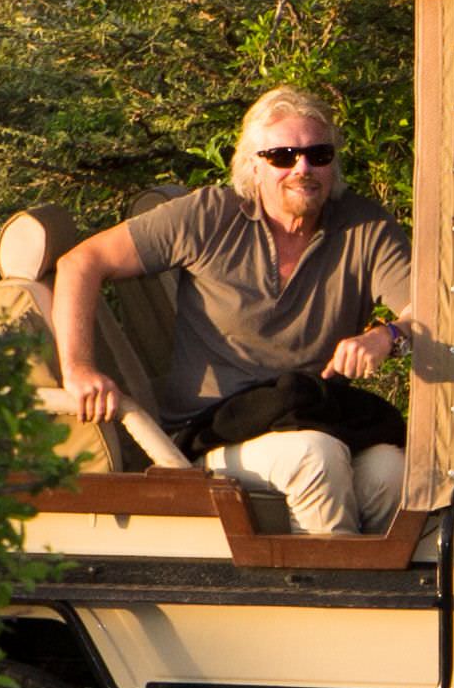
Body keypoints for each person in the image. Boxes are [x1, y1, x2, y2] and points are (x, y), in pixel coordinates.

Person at [43, 85, 418, 533]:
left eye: (318, 154)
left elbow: (432, 310)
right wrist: (79, 368)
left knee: (394, 471)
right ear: (253, 165)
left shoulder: (365, 226)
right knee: (314, 458)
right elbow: (82, 262)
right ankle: (321, 597)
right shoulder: (209, 215)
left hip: (310, 412)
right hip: (216, 428)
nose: (303, 168)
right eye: (283, 155)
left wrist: (387, 336)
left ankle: (378, 595)